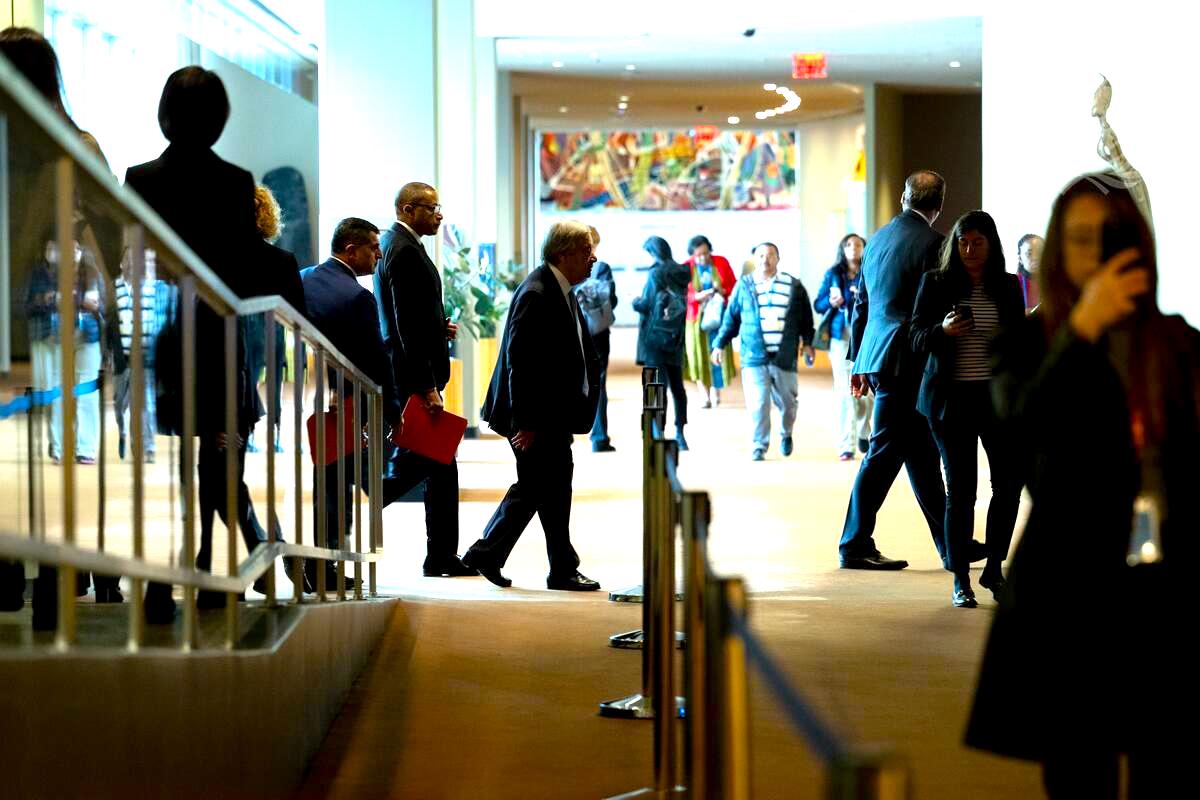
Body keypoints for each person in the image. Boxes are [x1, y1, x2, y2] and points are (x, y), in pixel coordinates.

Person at [966, 173, 1195, 796]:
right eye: (1079, 238)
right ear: (1059, 251)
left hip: (1164, 587)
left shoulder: (1175, 343)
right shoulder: (1030, 343)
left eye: (1108, 236)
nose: (1093, 253)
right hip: (1069, 586)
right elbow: (1021, 431)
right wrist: (1081, 332)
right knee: (1078, 769)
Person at [125, 66, 300, 620]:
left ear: (166, 112)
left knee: (171, 465)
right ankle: (205, 569)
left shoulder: (141, 177)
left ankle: (167, 576)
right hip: (220, 338)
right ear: (220, 117)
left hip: (166, 335)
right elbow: (242, 268)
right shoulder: (235, 180)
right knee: (216, 463)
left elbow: (134, 261)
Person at [0, 26, 120, 623]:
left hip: (8, 327)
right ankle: (59, 580)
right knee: (63, 455)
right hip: (61, 326)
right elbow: (116, 232)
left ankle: (7, 577)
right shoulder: (77, 144)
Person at [303, 219, 472, 584]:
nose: (377, 255)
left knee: (430, 461)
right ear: (351, 250)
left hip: (322, 398)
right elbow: (382, 351)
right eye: (370, 250)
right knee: (397, 471)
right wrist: (398, 411)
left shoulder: (306, 278)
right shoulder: (360, 294)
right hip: (363, 400)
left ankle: (439, 554)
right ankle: (325, 561)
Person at [462, 220, 602, 591]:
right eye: (587, 252)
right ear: (564, 253)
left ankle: (547, 564)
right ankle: (489, 552)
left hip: (551, 413)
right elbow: (519, 362)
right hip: (534, 417)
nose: (593, 259)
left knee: (549, 488)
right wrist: (525, 421)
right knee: (540, 486)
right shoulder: (537, 292)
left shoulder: (562, 288)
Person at [838, 171, 955, 570]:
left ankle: (950, 543)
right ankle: (853, 544)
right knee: (884, 452)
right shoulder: (935, 245)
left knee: (920, 454)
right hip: (908, 359)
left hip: (878, 355)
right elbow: (931, 310)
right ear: (939, 204)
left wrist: (858, 360)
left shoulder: (877, 240)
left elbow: (862, 304)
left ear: (904, 198)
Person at [909, 211, 1025, 607]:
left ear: (991, 245)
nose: (969, 250)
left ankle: (994, 565)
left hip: (997, 399)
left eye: (977, 242)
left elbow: (1017, 343)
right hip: (950, 400)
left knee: (1008, 485)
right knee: (961, 490)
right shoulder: (936, 283)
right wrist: (942, 331)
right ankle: (960, 577)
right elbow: (915, 336)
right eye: (963, 243)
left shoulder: (1008, 287)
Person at [373, 182, 473, 578]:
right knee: (413, 469)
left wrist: (438, 327)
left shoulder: (400, 244)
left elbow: (414, 318)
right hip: (414, 379)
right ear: (408, 208)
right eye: (432, 208)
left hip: (413, 372)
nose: (439, 214)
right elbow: (405, 326)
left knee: (440, 465)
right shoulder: (404, 250)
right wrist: (426, 385)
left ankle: (441, 556)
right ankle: (347, 513)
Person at [710, 242, 815, 461]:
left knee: (788, 403)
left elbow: (806, 318)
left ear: (778, 258)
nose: (765, 260)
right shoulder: (745, 285)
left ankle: (786, 433)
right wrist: (719, 344)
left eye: (770, 255)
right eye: (760, 256)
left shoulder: (794, 286)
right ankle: (759, 445)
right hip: (753, 356)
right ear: (754, 259)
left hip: (785, 356)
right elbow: (731, 319)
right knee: (759, 403)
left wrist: (807, 342)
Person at [245, 185, 306, 454]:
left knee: (244, 382)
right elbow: (297, 309)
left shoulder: (226, 259)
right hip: (273, 329)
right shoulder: (283, 259)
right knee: (276, 385)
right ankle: (278, 434)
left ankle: (246, 434)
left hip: (239, 330)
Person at [814, 234, 873, 461]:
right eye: (849, 245)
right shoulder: (833, 274)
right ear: (842, 249)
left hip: (865, 338)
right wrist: (831, 302)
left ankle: (864, 431)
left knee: (866, 394)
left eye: (858, 244)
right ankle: (845, 443)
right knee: (843, 392)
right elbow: (818, 305)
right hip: (840, 338)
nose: (853, 248)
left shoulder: (870, 271)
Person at [633, 236, 690, 449]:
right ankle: (680, 432)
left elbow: (646, 304)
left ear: (654, 252)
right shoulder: (683, 272)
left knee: (655, 385)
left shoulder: (655, 273)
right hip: (675, 335)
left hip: (654, 338)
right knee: (677, 386)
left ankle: (657, 430)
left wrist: (635, 302)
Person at [111, 246, 164, 464]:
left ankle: (146, 446)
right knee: (120, 404)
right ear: (122, 263)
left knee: (144, 403)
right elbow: (110, 323)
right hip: (121, 358)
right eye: (128, 258)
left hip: (144, 357)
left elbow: (157, 322)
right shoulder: (114, 288)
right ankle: (124, 433)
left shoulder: (151, 289)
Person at [573, 226, 618, 452]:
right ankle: (599, 438)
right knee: (598, 385)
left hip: (573, 333)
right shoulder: (602, 268)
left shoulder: (569, 268)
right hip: (598, 335)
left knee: (570, 381)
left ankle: (567, 432)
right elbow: (612, 301)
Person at [682, 235, 737, 408]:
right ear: (692, 255)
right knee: (697, 355)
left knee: (717, 353)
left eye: (706, 253)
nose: (703, 258)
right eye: (698, 255)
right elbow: (680, 295)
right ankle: (703, 394)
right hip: (695, 319)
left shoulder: (721, 262)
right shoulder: (685, 267)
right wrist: (696, 297)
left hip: (718, 317)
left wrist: (722, 290)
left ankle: (715, 391)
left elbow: (734, 287)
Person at [1016, 233, 1044, 312]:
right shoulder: (1011, 284)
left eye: (1039, 252)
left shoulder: (1056, 282)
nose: (1035, 258)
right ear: (1020, 258)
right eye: (1029, 254)